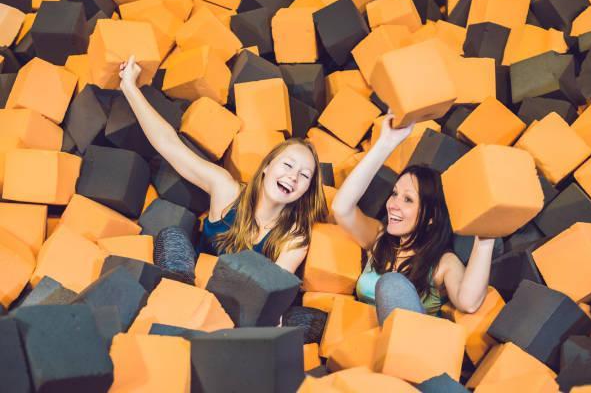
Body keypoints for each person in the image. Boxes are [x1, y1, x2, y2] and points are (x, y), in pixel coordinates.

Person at [119, 56, 327, 276]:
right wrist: (130, 87)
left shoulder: (293, 238)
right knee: (173, 236)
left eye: (305, 175)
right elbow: (169, 144)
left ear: (307, 190)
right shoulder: (226, 190)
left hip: (241, 296)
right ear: (266, 167)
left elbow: (274, 290)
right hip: (188, 284)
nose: (293, 176)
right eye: (288, 164)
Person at [331, 112, 495, 324]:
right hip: (359, 339)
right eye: (394, 194)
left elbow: (469, 303)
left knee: (392, 285)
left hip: (406, 342)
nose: (393, 204)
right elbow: (341, 208)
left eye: (408, 199)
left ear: (431, 217)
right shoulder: (379, 238)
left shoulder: (443, 262)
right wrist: (385, 144)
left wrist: (486, 236)